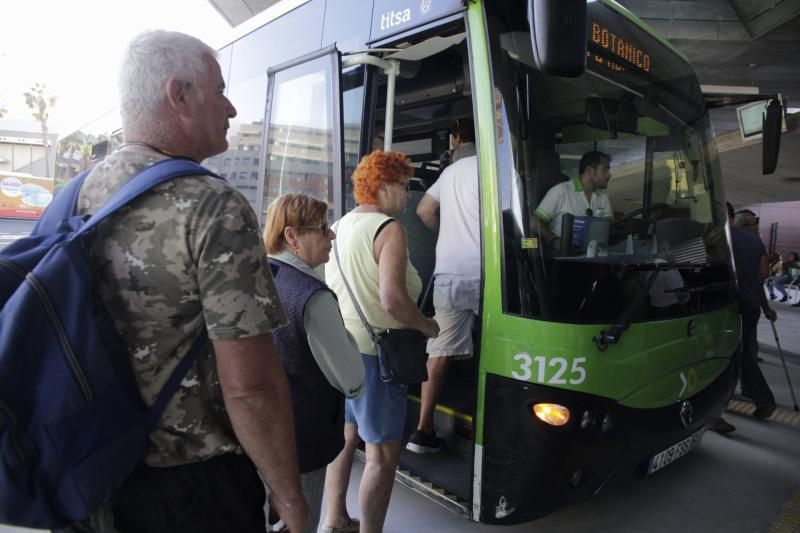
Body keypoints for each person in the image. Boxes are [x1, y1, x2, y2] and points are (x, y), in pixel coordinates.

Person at [58, 30, 307, 532]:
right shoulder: (212, 206)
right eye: (219, 89)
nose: (232, 108)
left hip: (85, 479)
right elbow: (251, 386)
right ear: (179, 95)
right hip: (189, 493)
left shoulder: (73, 196)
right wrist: (289, 495)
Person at [324, 150, 440, 533]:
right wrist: (425, 325)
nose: (407, 195)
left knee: (344, 439)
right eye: (404, 186)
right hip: (377, 355)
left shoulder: (339, 225)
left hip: (342, 348)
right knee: (382, 456)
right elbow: (392, 300)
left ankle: (335, 517)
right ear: (384, 185)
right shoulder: (388, 228)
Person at [264, 194, 366, 533]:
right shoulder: (313, 296)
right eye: (323, 229)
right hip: (302, 440)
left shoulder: (256, 278)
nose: (332, 236)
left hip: (257, 433)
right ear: (292, 236)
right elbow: (352, 380)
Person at [409, 118, 479, 454]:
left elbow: (424, 210)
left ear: (455, 139)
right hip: (489, 273)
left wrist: (447, 234)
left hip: (451, 273)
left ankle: (423, 429)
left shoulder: (449, 173)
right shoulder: (492, 168)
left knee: (439, 351)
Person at [711, 202, 778, 434]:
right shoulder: (755, 242)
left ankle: (717, 410)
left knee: (725, 357)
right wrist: (765, 307)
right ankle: (764, 402)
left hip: (727, 306)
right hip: (750, 307)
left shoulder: (719, 239)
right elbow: (763, 275)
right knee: (744, 355)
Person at [533, 150, 614, 250]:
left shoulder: (603, 197)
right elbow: (534, 223)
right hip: (561, 260)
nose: (610, 175)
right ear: (589, 171)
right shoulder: (560, 191)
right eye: (605, 170)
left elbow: (609, 227)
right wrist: (555, 241)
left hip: (593, 257)